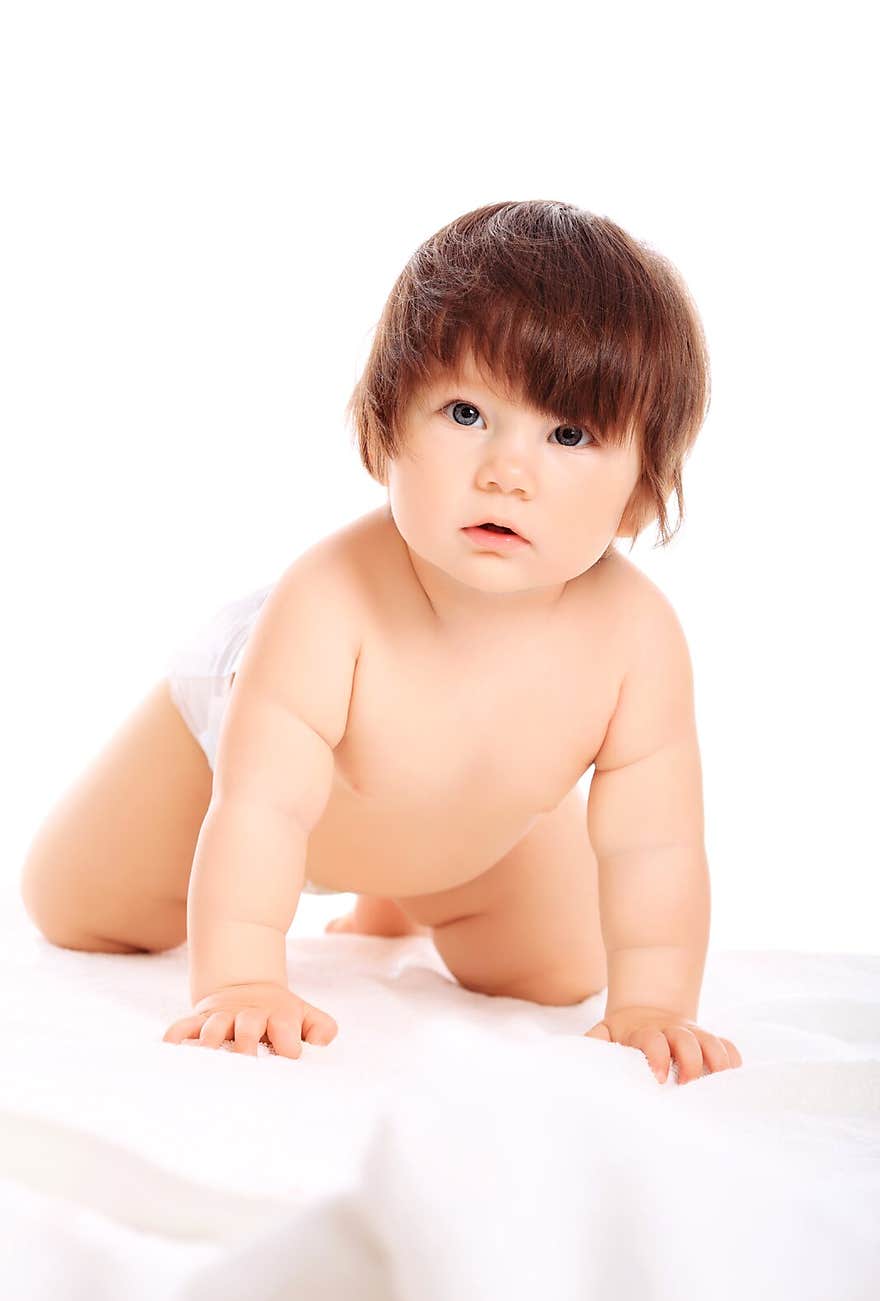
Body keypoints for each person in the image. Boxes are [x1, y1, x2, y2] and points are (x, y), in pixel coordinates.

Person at [19, 199, 743, 1086]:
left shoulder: (637, 639)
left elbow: (655, 844)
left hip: (449, 813)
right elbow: (264, 810)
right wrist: (244, 979)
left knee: (559, 972)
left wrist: (655, 1004)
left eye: (568, 434)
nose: (507, 471)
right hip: (232, 742)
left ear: (639, 492)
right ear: (387, 426)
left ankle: (403, 887)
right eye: (467, 414)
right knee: (79, 905)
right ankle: (380, 873)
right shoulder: (328, 601)